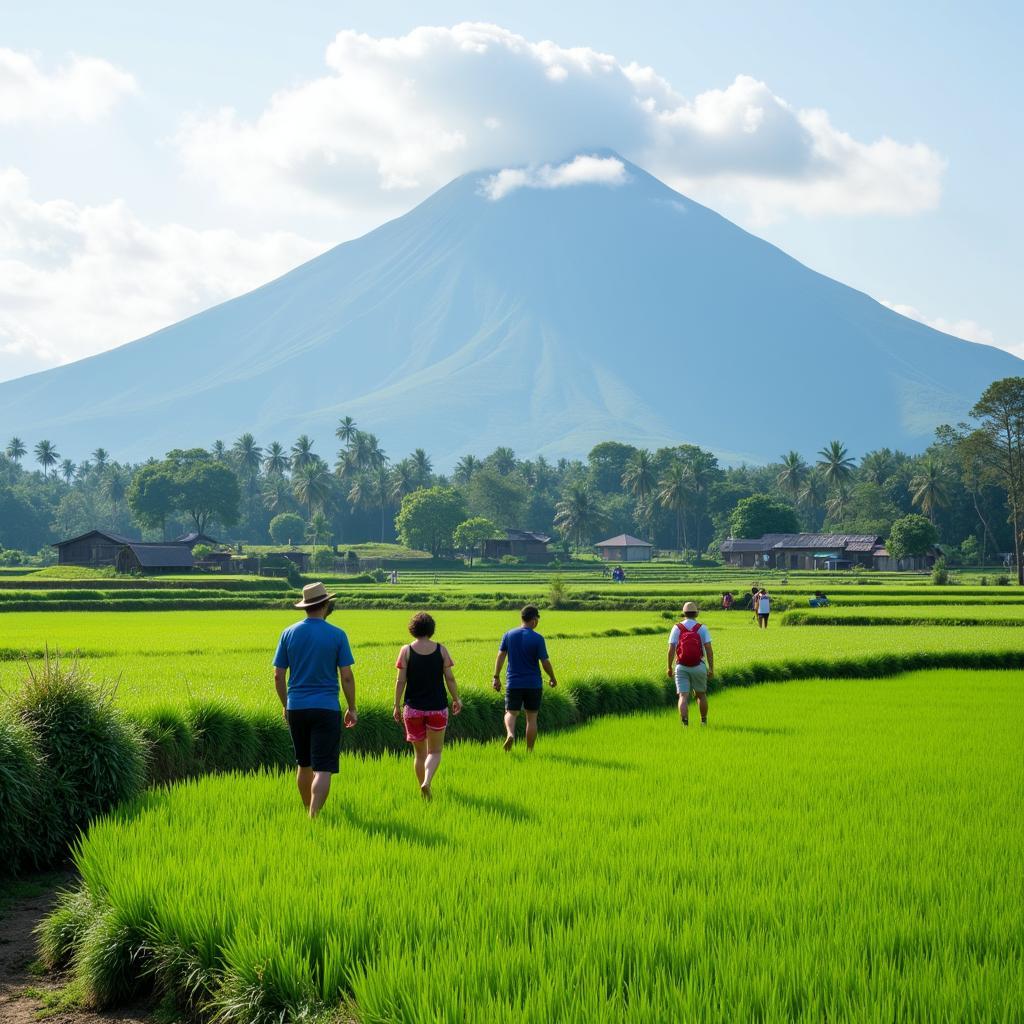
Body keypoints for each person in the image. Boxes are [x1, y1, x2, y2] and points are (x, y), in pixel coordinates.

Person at [273, 581, 357, 819]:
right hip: (327, 707)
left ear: (305, 606)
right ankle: (314, 815)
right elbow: (347, 677)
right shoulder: (337, 635)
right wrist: (352, 707)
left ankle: (307, 809)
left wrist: (285, 704)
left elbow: (278, 675)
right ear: (325, 604)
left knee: (304, 763)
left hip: (297, 707)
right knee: (323, 767)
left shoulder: (288, 633)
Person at [393, 612, 462, 800]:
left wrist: (396, 706)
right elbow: (449, 678)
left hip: (413, 709)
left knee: (420, 754)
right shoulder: (441, 650)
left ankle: (422, 787)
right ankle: (427, 782)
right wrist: (456, 698)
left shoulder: (405, 651)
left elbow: (400, 681)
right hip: (437, 708)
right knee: (435, 751)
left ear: (413, 629)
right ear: (431, 629)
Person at [492, 604, 557, 752]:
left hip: (514, 683)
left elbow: (500, 656)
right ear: (534, 620)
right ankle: (529, 750)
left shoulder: (508, 635)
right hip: (533, 684)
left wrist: (496, 677)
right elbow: (545, 662)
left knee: (511, 712)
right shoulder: (538, 638)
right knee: (531, 717)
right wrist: (552, 677)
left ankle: (510, 733)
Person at [667, 601, 713, 726]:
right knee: (701, 695)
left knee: (683, 696)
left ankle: (685, 723)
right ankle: (703, 721)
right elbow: (709, 649)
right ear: (696, 613)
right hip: (699, 665)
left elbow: (671, 649)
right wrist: (711, 669)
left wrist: (669, 667)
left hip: (681, 666)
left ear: (684, 613)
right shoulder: (701, 628)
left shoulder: (677, 628)